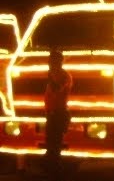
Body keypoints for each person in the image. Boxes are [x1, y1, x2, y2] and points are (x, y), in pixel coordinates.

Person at [44, 50, 72, 181]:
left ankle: (57, 173)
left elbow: (57, 89)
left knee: (55, 145)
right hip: (51, 114)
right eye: (49, 60)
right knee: (51, 144)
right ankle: (51, 171)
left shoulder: (64, 76)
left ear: (59, 62)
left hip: (59, 114)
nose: (49, 63)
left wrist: (51, 78)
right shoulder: (53, 75)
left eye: (52, 60)